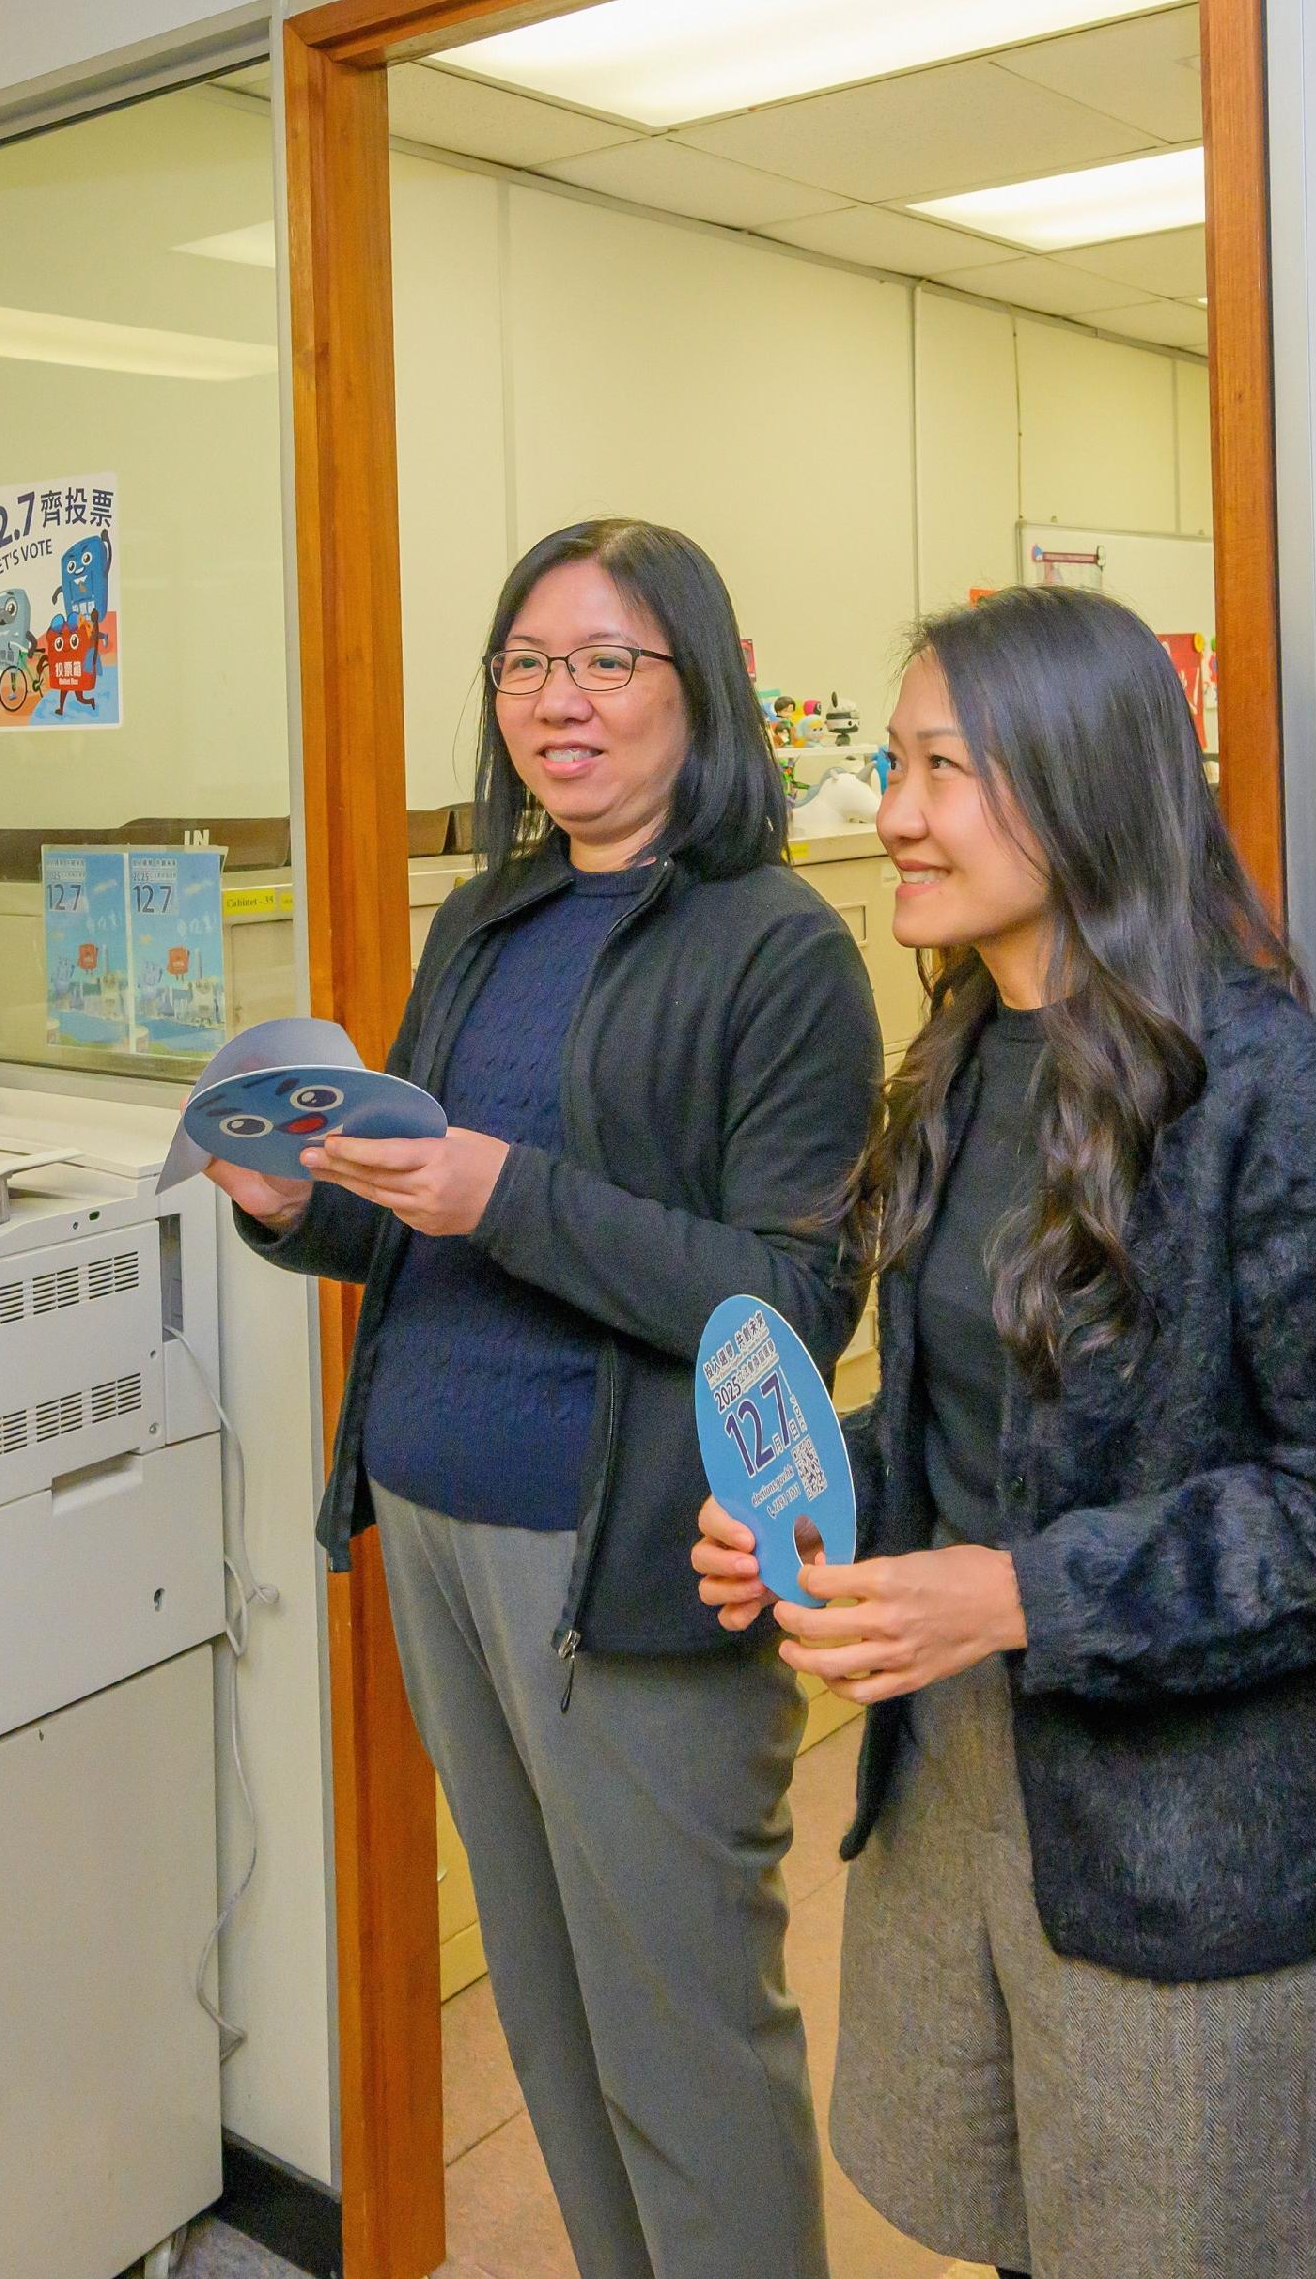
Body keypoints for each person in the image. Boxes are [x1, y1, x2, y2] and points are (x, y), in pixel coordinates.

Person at [694, 585, 1316, 2279]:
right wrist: (828, 1522)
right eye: (894, 765)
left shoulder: (1267, 1093)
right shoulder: (964, 1056)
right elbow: (979, 1425)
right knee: (1035, 2239)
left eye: (939, 770)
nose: (890, 814)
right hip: (964, 1789)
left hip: (1191, 1850)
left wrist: (1028, 1596)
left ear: (1080, 781)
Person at [217, 519, 881, 2279]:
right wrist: (303, 1209)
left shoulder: (780, 945)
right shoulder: (489, 921)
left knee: (680, 2042)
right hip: (434, 1534)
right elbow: (419, 1231)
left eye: (606, 663)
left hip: (629, 1560)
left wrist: (506, 1193)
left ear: (701, 686)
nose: (557, 704)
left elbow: (793, 1299)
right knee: (552, 2021)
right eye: (525, 665)